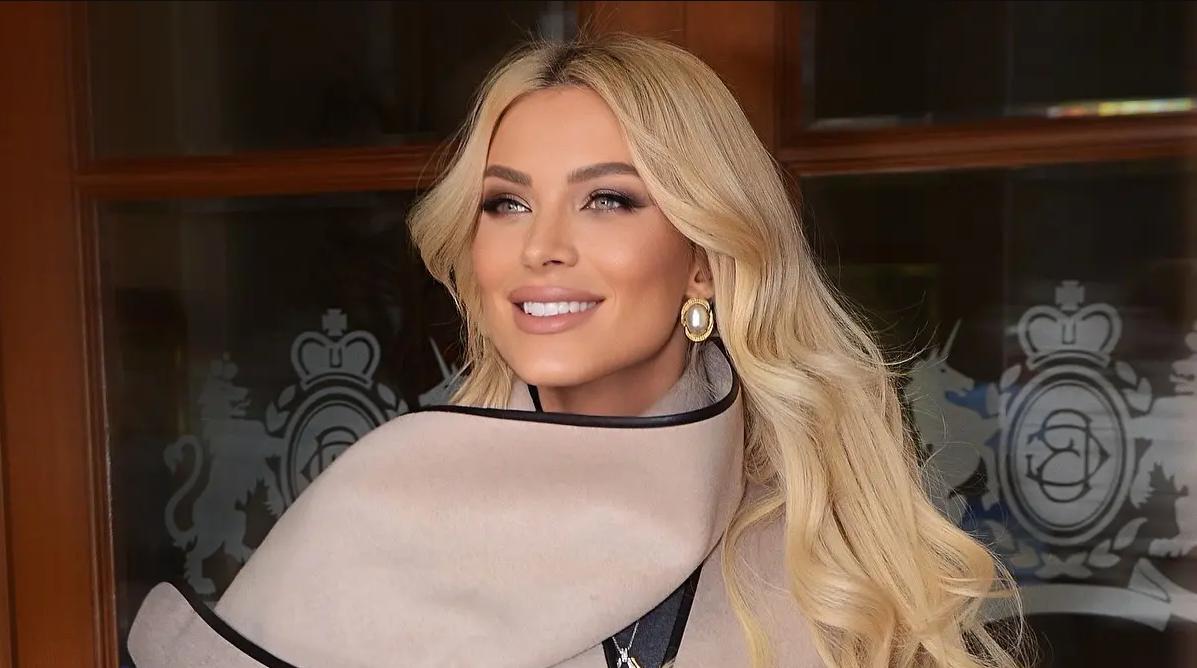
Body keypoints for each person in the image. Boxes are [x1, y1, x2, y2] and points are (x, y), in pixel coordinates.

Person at [127, 33, 1031, 668]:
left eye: (607, 200)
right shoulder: (384, 509)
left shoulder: (820, 543)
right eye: (506, 203)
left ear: (704, 261)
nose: (541, 247)